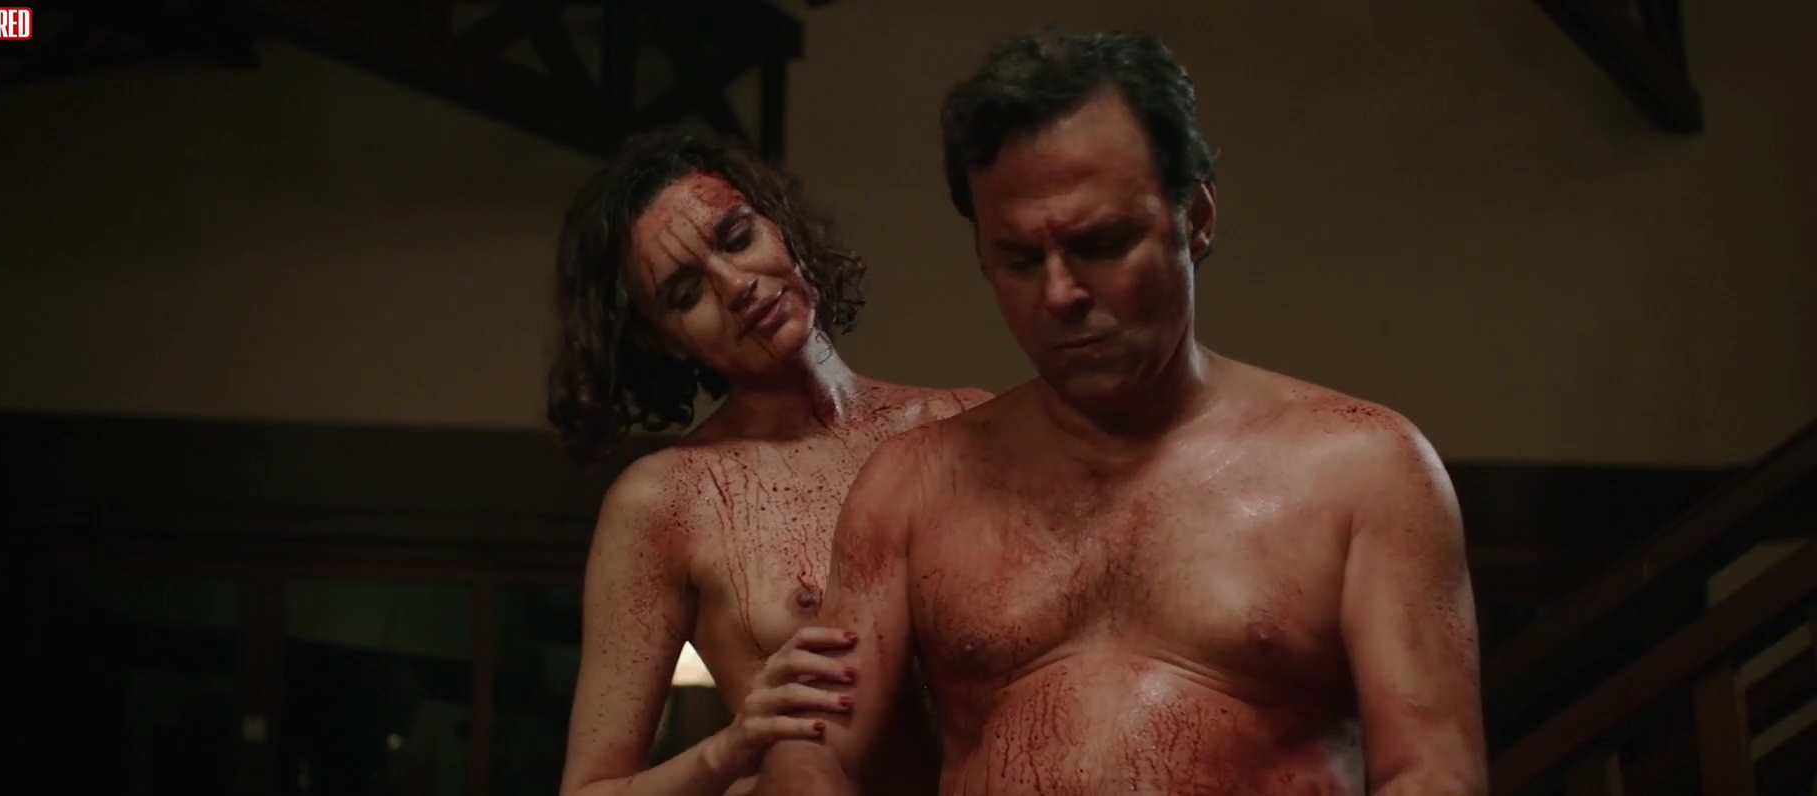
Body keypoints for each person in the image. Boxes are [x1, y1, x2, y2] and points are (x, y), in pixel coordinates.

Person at [755, 30, 1487, 795]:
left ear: (1195, 216)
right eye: (1020, 260)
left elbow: (1432, 772)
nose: (1060, 294)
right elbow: (813, 751)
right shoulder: (912, 488)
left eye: (1101, 243)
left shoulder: (1366, 469)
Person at [552, 126, 987, 796]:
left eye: (737, 238)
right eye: (686, 293)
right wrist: (733, 747)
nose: (736, 286)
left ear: (780, 226)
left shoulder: (965, 423)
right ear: (661, 340)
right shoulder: (669, 500)